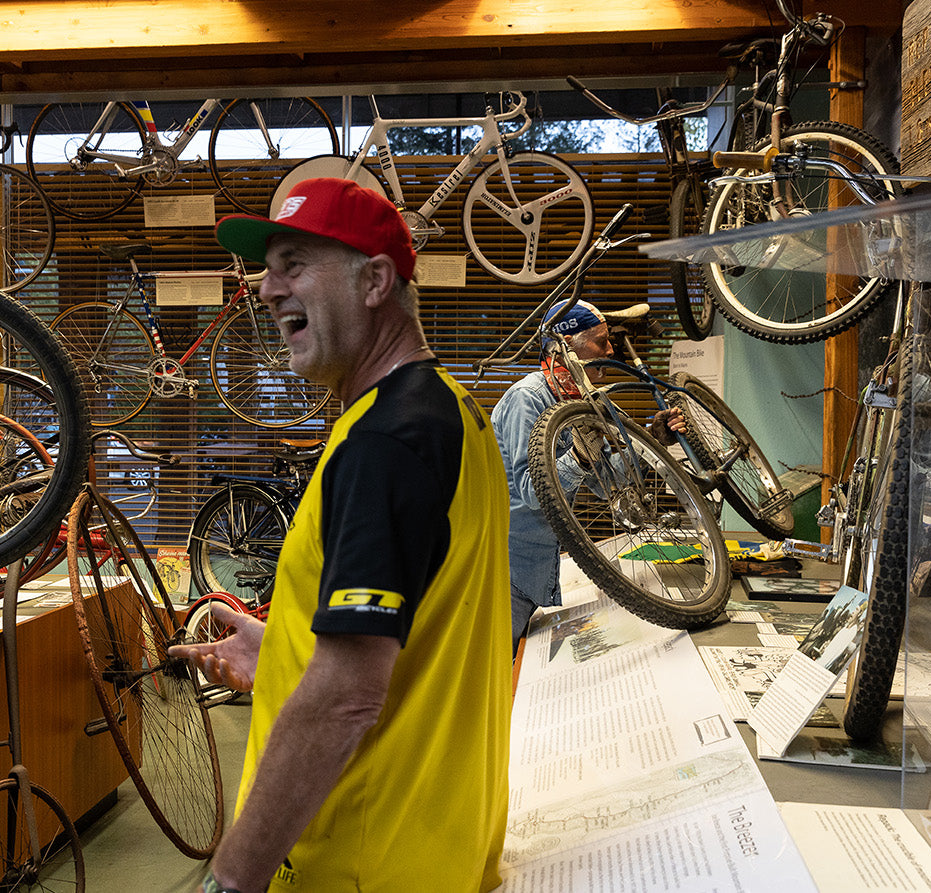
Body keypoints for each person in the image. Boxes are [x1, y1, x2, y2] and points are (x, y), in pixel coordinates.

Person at [168, 177, 512, 893]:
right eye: (267, 270)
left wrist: (230, 879)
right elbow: (415, 630)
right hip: (434, 848)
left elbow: (347, 695)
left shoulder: (383, 443)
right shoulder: (451, 413)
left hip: (358, 864)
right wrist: (285, 646)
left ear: (375, 281)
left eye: (294, 263)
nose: (266, 290)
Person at [491, 299, 684, 651]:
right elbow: (532, 493)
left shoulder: (580, 401)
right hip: (503, 575)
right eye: (601, 342)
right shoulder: (527, 399)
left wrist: (652, 441)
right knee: (493, 681)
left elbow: (604, 484)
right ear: (567, 352)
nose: (611, 351)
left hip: (534, 571)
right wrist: (579, 455)